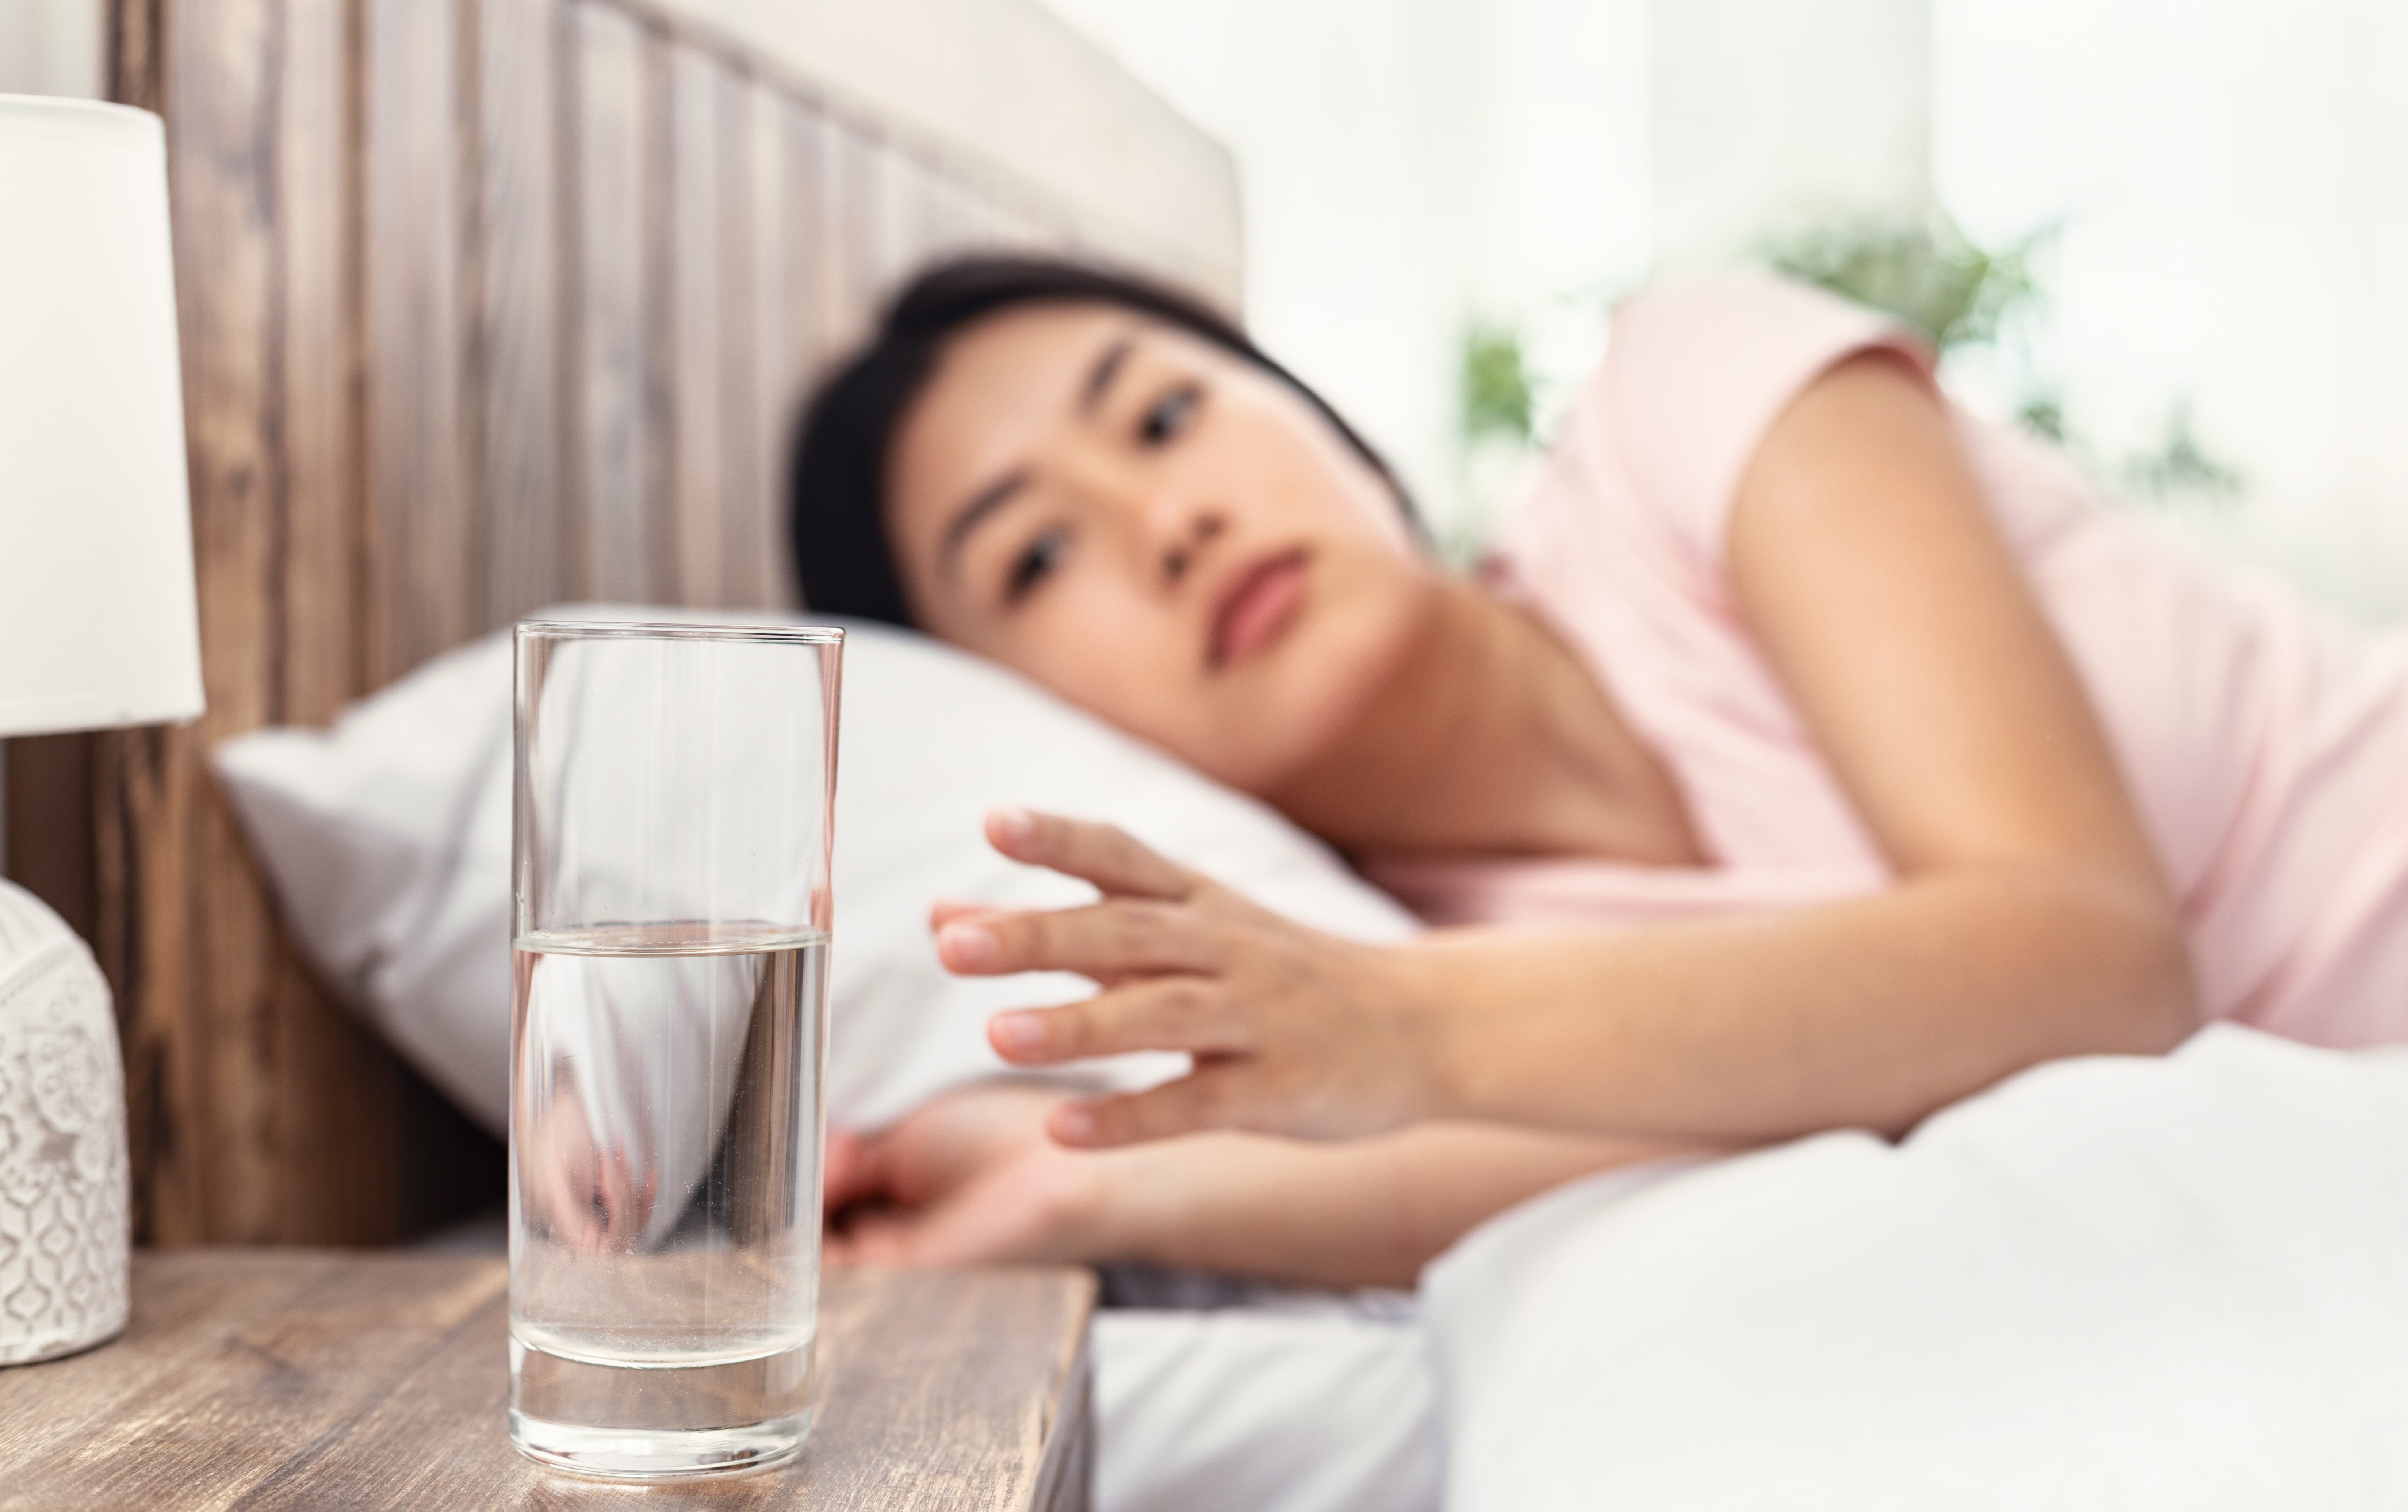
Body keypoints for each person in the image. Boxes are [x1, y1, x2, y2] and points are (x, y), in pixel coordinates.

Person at [789, 257, 2408, 1286]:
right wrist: (1066, 1189)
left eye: (1161, 416)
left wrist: (1398, 1027)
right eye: (1040, 554)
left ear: (1326, 422)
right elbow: (1503, 1154)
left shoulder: (1681, 403)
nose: (1171, 522)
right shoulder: (1438, 971)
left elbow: (2088, 959)